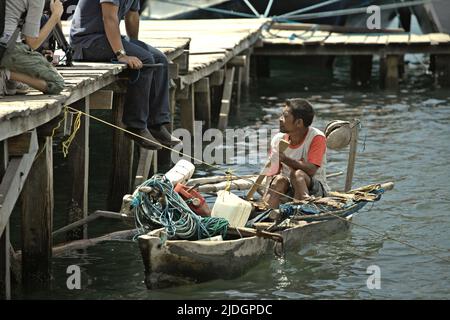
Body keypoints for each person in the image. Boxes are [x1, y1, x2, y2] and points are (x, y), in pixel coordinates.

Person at [69, 0, 181, 150]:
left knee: (160, 60)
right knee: (147, 60)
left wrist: (135, 46)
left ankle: (156, 124)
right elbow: (109, 17)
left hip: (108, 38)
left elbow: (132, 16)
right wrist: (122, 55)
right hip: (87, 41)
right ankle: (136, 126)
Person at [262, 98, 330, 209]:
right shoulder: (277, 139)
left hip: (314, 190)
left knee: (298, 175)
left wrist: (285, 159)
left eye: (285, 116)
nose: (280, 119)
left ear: (299, 122)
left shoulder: (316, 137)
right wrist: (266, 196)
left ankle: (304, 209)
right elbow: (271, 173)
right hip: (288, 189)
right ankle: (267, 215)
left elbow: (311, 170)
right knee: (279, 180)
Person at [0, 0, 65, 96]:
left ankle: (10, 81)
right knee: (57, 84)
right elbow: (32, 43)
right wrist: (55, 15)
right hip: (6, 48)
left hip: (5, 45)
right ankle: (6, 74)